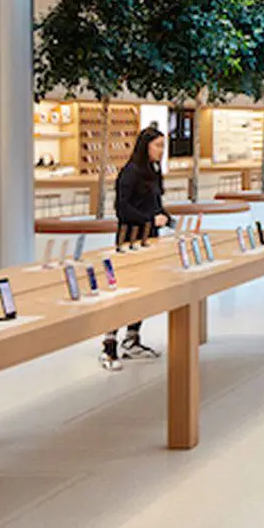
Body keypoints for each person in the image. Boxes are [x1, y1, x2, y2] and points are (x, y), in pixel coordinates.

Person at [102, 126, 172, 369]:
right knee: (123, 291)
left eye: (163, 146)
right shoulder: (130, 173)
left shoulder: (153, 172)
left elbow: (155, 203)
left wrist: (165, 218)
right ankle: (109, 345)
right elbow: (122, 209)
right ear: (146, 146)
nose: (161, 151)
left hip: (149, 239)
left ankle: (132, 339)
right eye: (158, 145)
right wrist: (149, 219)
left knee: (144, 290)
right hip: (129, 239)